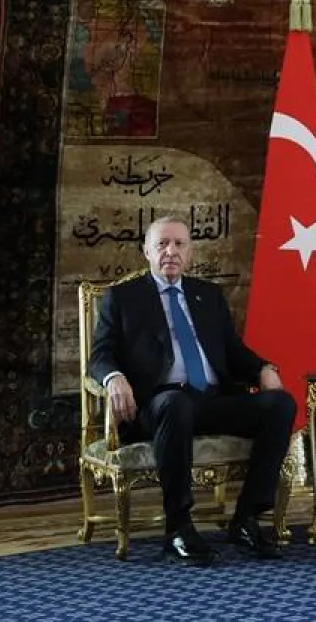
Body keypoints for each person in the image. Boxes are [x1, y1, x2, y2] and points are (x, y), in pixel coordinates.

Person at [90, 214, 295, 565]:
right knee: (175, 403)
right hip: (159, 405)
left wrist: (264, 368)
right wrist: (113, 378)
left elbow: (233, 351)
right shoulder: (123, 298)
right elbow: (100, 356)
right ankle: (179, 527)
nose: (171, 251)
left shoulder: (208, 295)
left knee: (280, 404)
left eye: (179, 244)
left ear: (190, 252)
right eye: (162, 244)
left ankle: (246, 519)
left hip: (211, 401)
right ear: (147, 252)